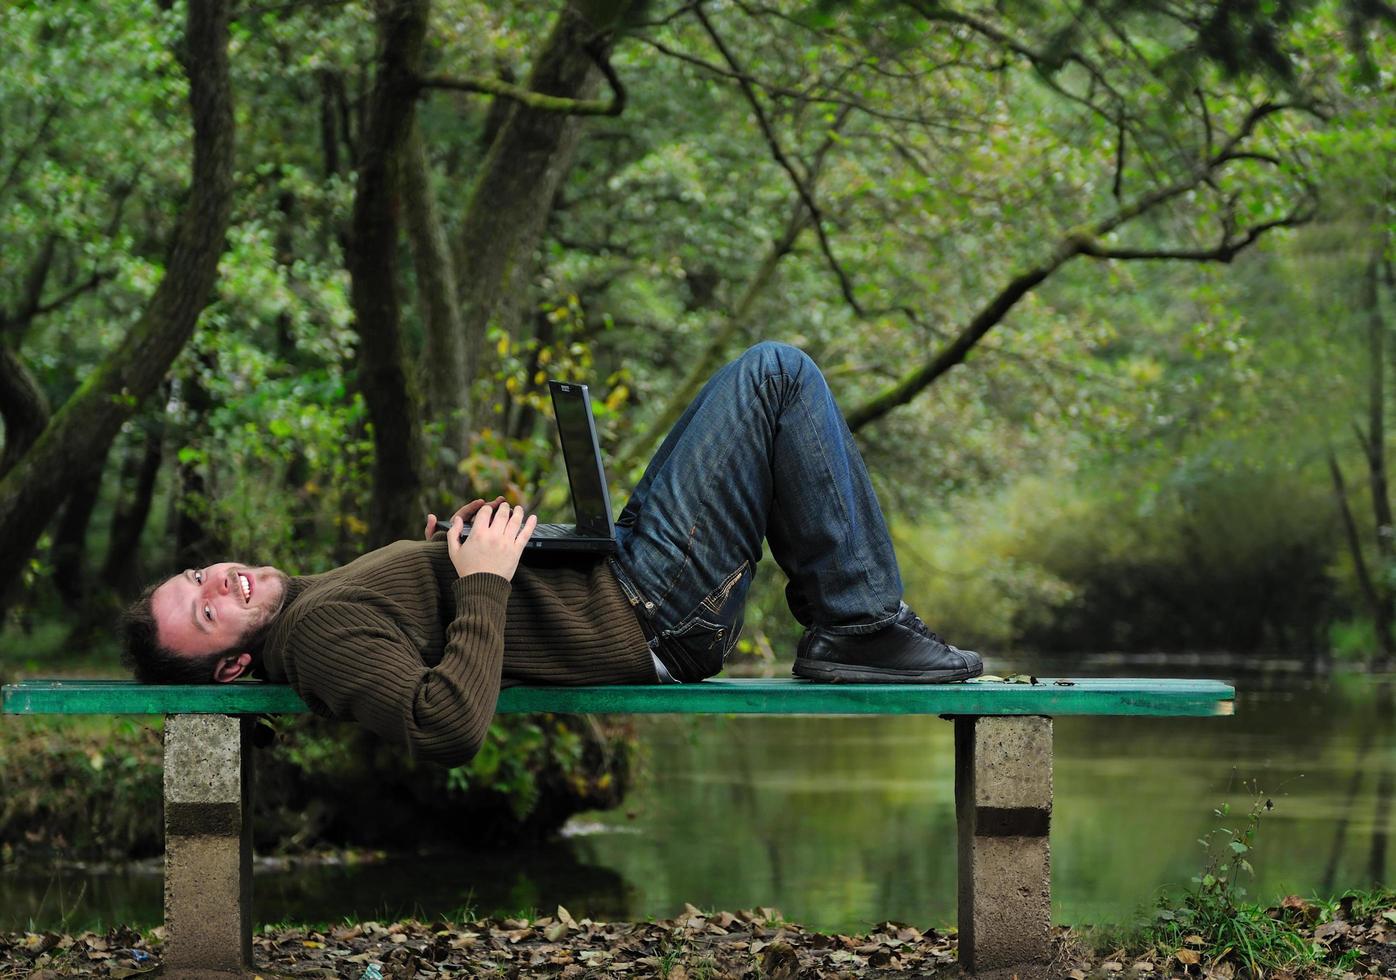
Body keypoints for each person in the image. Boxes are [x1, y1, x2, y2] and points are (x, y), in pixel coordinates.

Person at [121, 342, 982, 766]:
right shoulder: (312, 640)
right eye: (207, 611)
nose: (219, 582)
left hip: (628, 583)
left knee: (771, 389)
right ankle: (861, 624)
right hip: (646, 606)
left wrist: (460, 557)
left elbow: (427, 627)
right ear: (231, 666)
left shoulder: (312, 606)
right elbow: (442, 726)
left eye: (198, 575)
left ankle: (856, 622)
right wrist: (486, 580)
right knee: (776, 375)